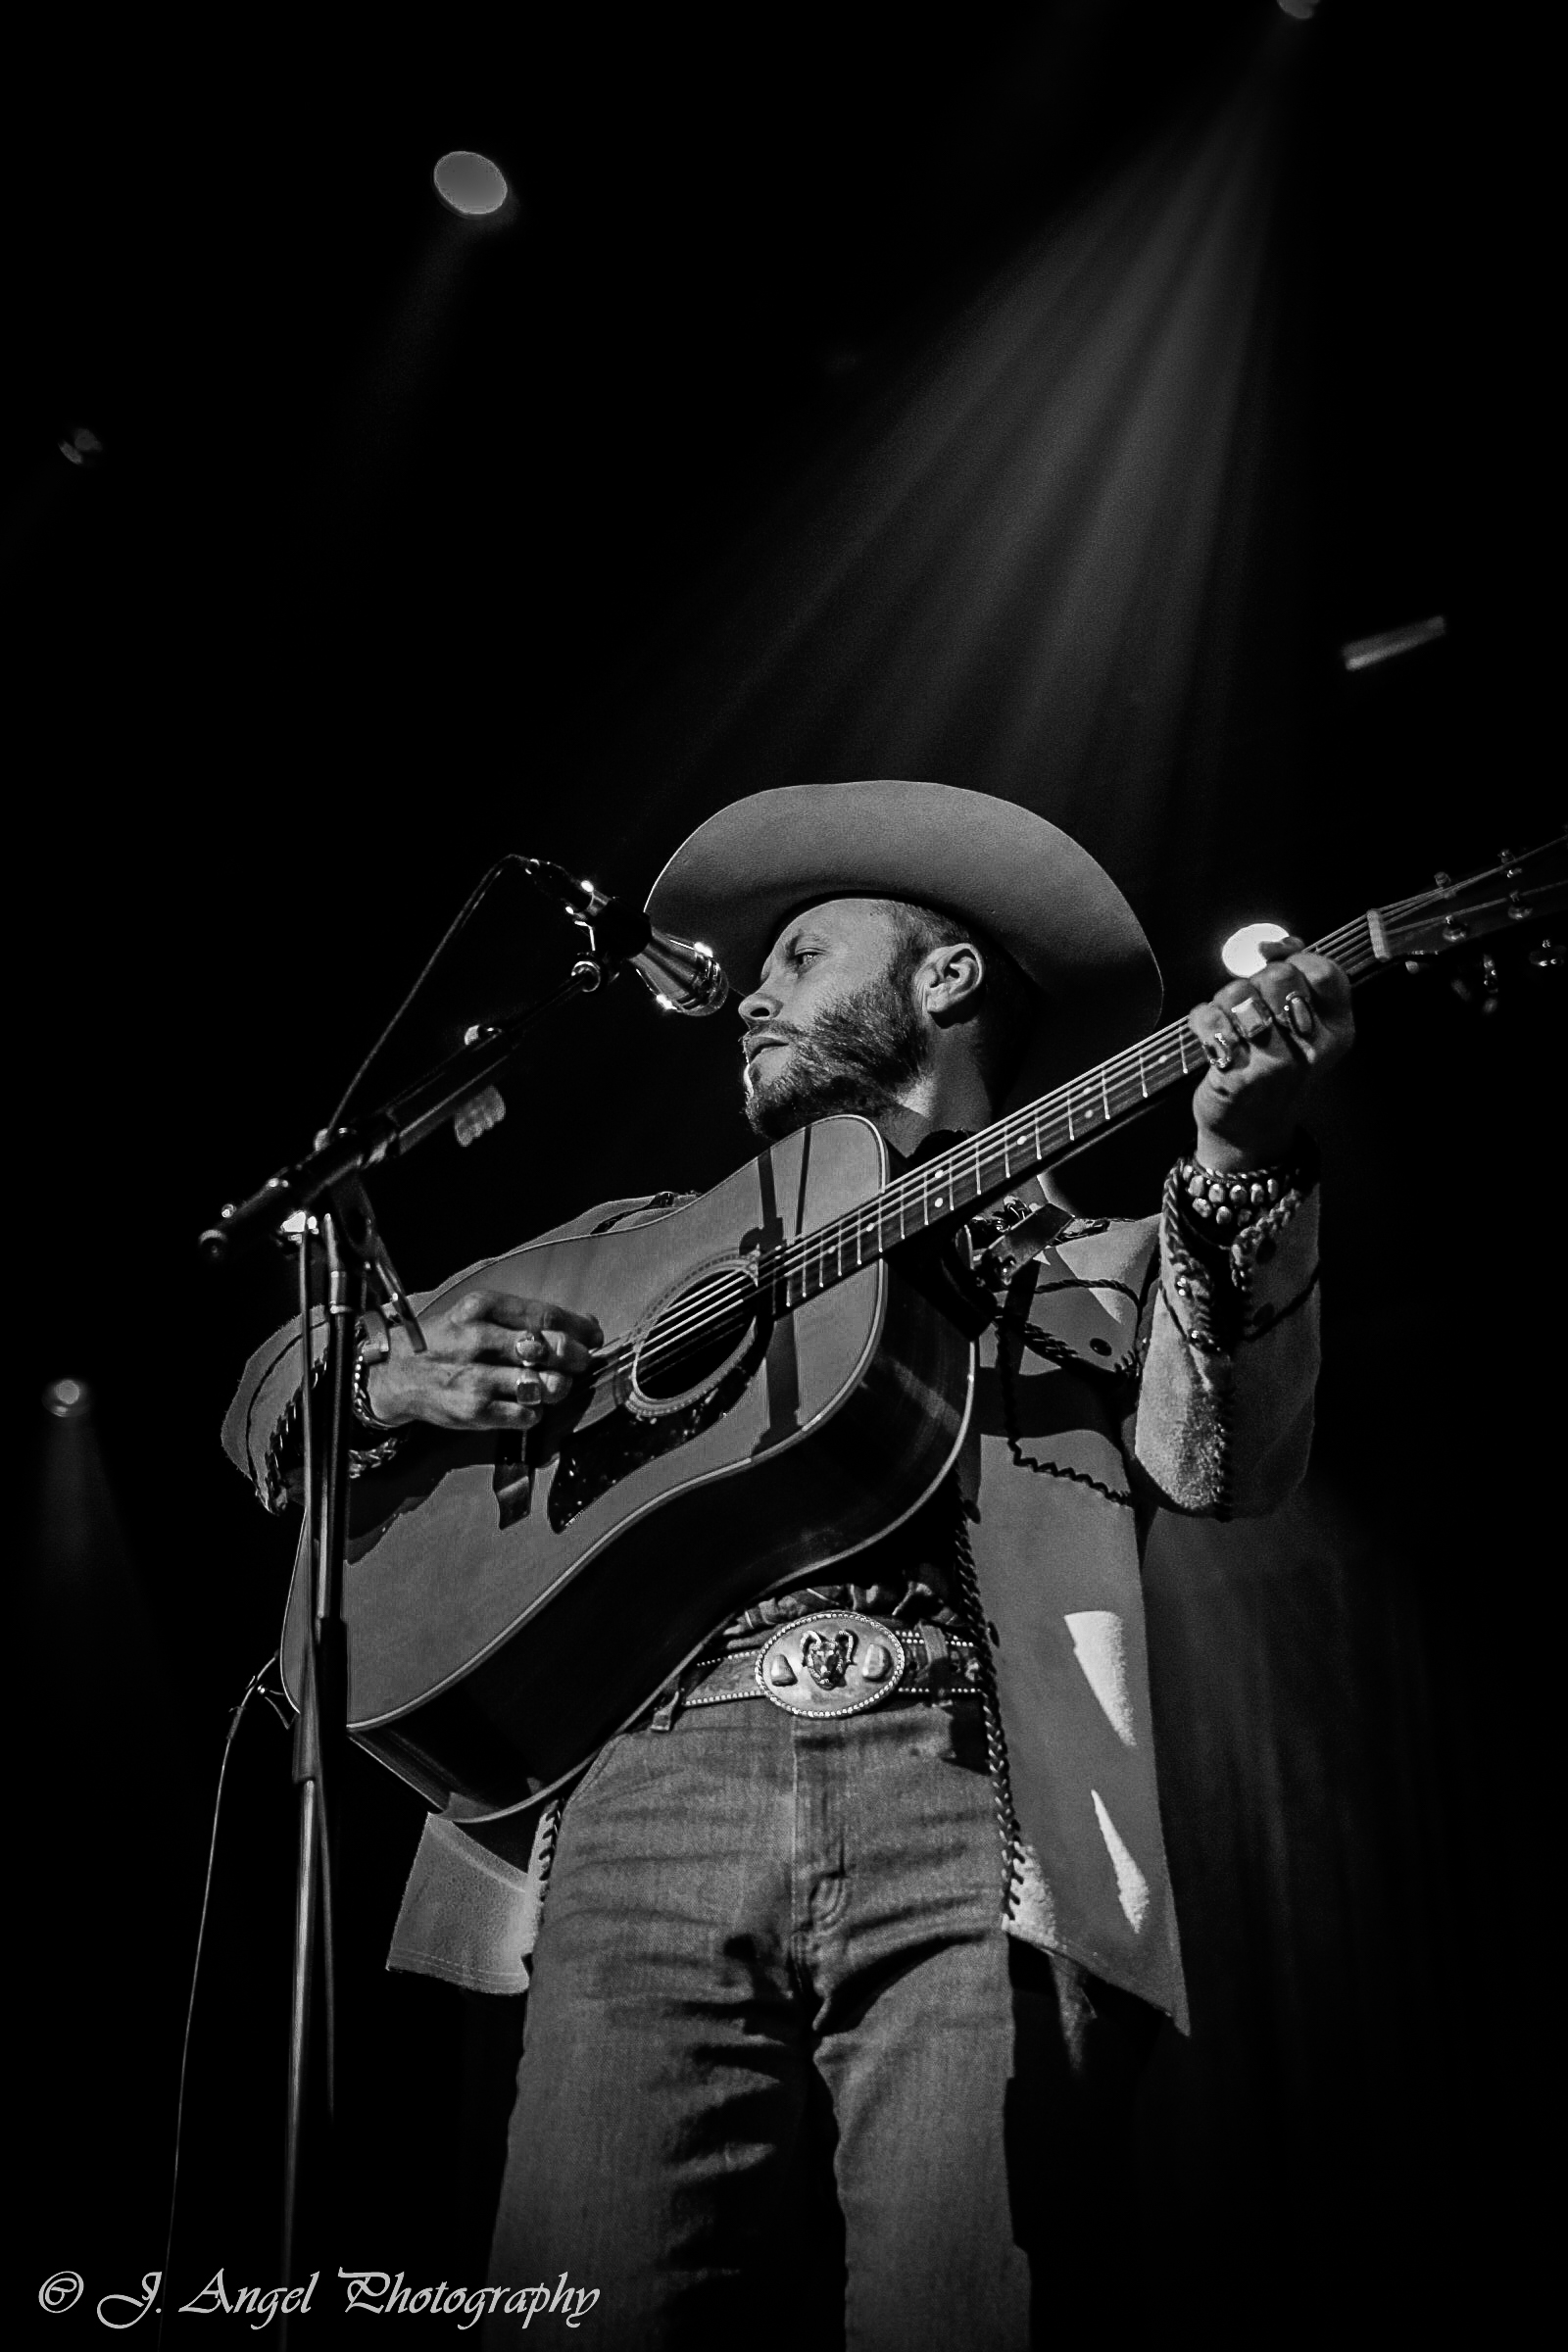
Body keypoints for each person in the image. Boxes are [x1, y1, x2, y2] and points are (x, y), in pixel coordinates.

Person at [224, 780, 1352, 2349]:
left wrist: (1236, 1157)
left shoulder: (1101, 1267)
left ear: (945, 977)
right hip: (634, 1799)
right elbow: (267, 1387)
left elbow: (1227, 1467)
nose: (752, 996)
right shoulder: (636, 1241)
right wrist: (388, 1381)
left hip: (974, 1803)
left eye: (803, 957)